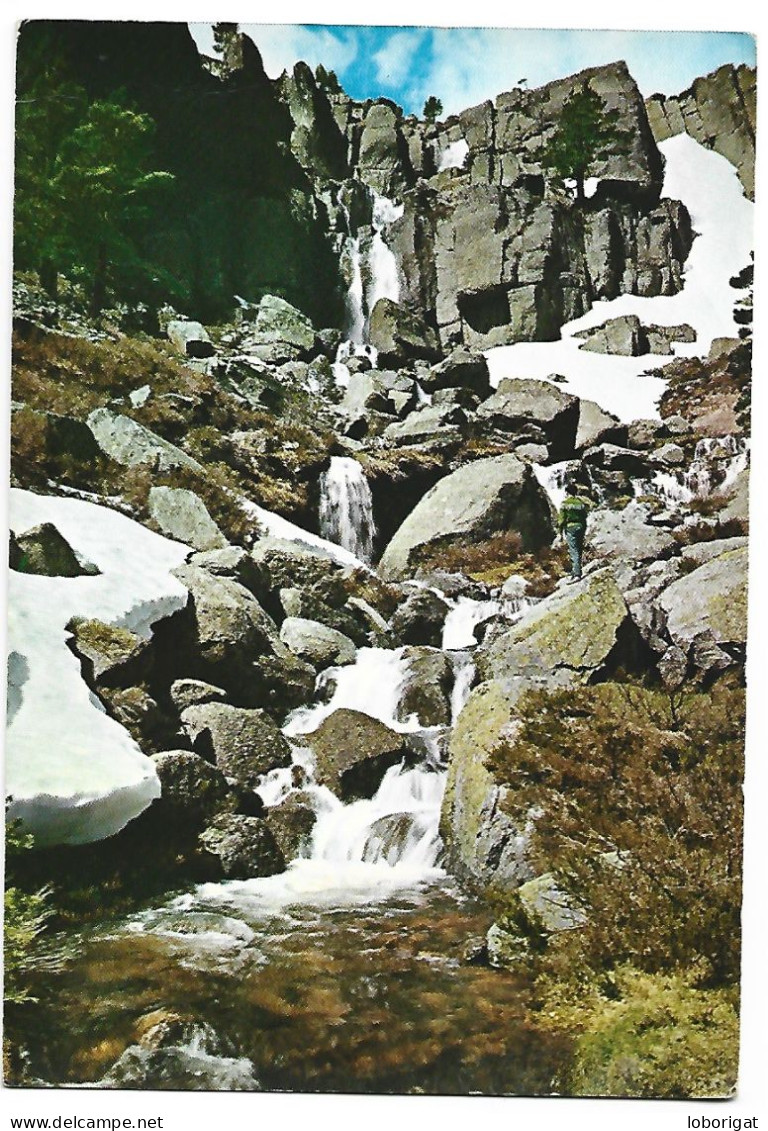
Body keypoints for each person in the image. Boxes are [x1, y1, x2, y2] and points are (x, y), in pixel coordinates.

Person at [558, 482, 591, 580]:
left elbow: (561, 519)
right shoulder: (581, 503)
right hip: (580, 526)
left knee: (573, 550)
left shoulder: (565, 503)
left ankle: (576, 574)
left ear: (567, 492)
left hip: (570, 527)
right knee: (579, 549)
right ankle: (576, 570)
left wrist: (560, 532)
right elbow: (585, 516)